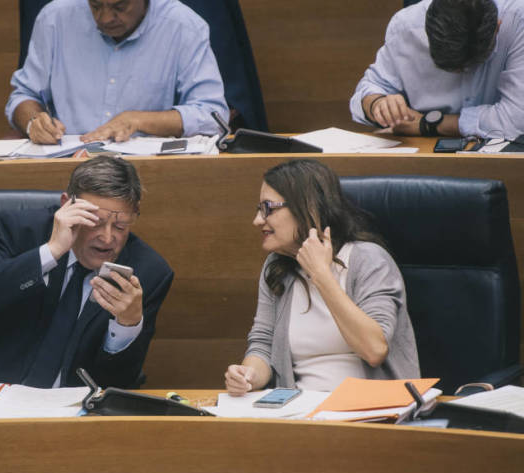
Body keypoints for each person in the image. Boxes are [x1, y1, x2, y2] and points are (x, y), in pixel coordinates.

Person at [0, 156, 174, 388]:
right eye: (95, 221)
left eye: (121, 226)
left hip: (70, 412)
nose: (108, 237)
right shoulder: (24, 231)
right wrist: (52, 251)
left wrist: (128, 324)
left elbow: (119, 383)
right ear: (65, 205)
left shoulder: (147, 273)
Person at [224, 160, 420, 395]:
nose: (257, 220)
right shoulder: (276, 266)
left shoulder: (369, 260)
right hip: (301, 410)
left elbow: (375, 350)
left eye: (268, 208)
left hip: (372, 410)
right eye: (258, 209)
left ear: (307, 208)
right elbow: (264, 343)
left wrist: (321, 276)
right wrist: (249, 375)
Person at [6, 0, 229, 144]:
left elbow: (212, 116)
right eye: (95, 5)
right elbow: (23, 96)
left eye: (119, 7)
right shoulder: (55, 18)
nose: (104, 18)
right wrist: (33, 121)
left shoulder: (183, 26)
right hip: (67, 162)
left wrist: (137, 120)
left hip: (148, 170)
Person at [350, 0, 524, 141]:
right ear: (427, 31)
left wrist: (427, 125)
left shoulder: (518, 20)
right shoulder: (406, 27)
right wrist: (377, 104)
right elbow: (370, 89)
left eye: (471, 65)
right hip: (424, 155)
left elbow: (516, 120)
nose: (460, 72)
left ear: (497, 28)